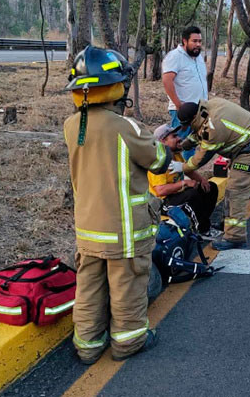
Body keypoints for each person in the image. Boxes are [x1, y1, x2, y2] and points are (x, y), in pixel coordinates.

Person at [63, 46, 179, 364]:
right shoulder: (126, 128)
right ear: (115, 86)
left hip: (88, 232)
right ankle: (128, 341)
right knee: (128, 284)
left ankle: (87, 345)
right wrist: (165, 148)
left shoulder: (71, 126)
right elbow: (157, 160)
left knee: (88, 288)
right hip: (125, 233)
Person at [175, 98, 250, 251]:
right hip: (247, 145)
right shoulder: (209, 108)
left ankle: (235, 236)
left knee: (236, 191)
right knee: (232, 187)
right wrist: (183, 145)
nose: (189, 128)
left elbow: (201, 158)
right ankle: (228, 223)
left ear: (194, 118)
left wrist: (182, 167)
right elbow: (198, 133)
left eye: (188, 124)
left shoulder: (214, 126)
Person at [148, 124, 223, 240]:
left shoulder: (176, 155)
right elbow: (160, 190)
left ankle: (203, 223)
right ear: (163, 141)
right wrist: (185, 183)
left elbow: (187, 170)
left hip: (177, 194)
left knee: (210, 188)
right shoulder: (158, 160)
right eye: (174, 137)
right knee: (191, 195)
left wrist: (202, 180)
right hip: (162, 202)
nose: (179, 139)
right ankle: (203, 231)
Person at [162, 26, 208, 160]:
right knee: (178, 144)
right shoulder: (174, 57)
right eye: (194, 41)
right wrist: (178, 105)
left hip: (199, 110)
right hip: (182, 111)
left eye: (200, 41)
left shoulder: (198, 57)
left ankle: (188, 174)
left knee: (192, 143)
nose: (198, 44)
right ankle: (175, 175)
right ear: (184, 41)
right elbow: (167, 81)